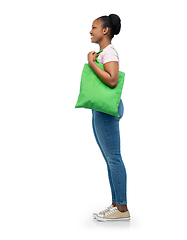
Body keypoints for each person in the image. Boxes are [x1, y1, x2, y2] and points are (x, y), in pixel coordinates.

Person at [88, 14, 130, 221]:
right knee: (109, 159)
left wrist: (91, 63)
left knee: (114, 158)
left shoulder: (110, 52)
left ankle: (122, 209)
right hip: (101, 110)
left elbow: (113, 81)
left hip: (106, 111)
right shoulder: (104, 52)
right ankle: (116, 204)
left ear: (105, 30)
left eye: (94, 27)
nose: (90, 31)